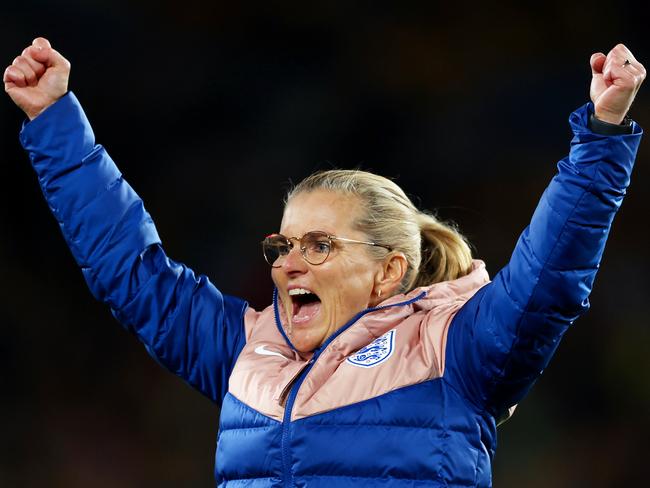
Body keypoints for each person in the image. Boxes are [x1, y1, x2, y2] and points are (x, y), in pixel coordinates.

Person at [4, 37, 645, 487]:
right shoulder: (246, 352)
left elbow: (547, 280)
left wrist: (604, 134)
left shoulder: (455, 349)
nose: (289, 265)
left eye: (320, 246)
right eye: (283, 246)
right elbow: (130, 272)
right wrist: (54, 121)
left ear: (389, 271)